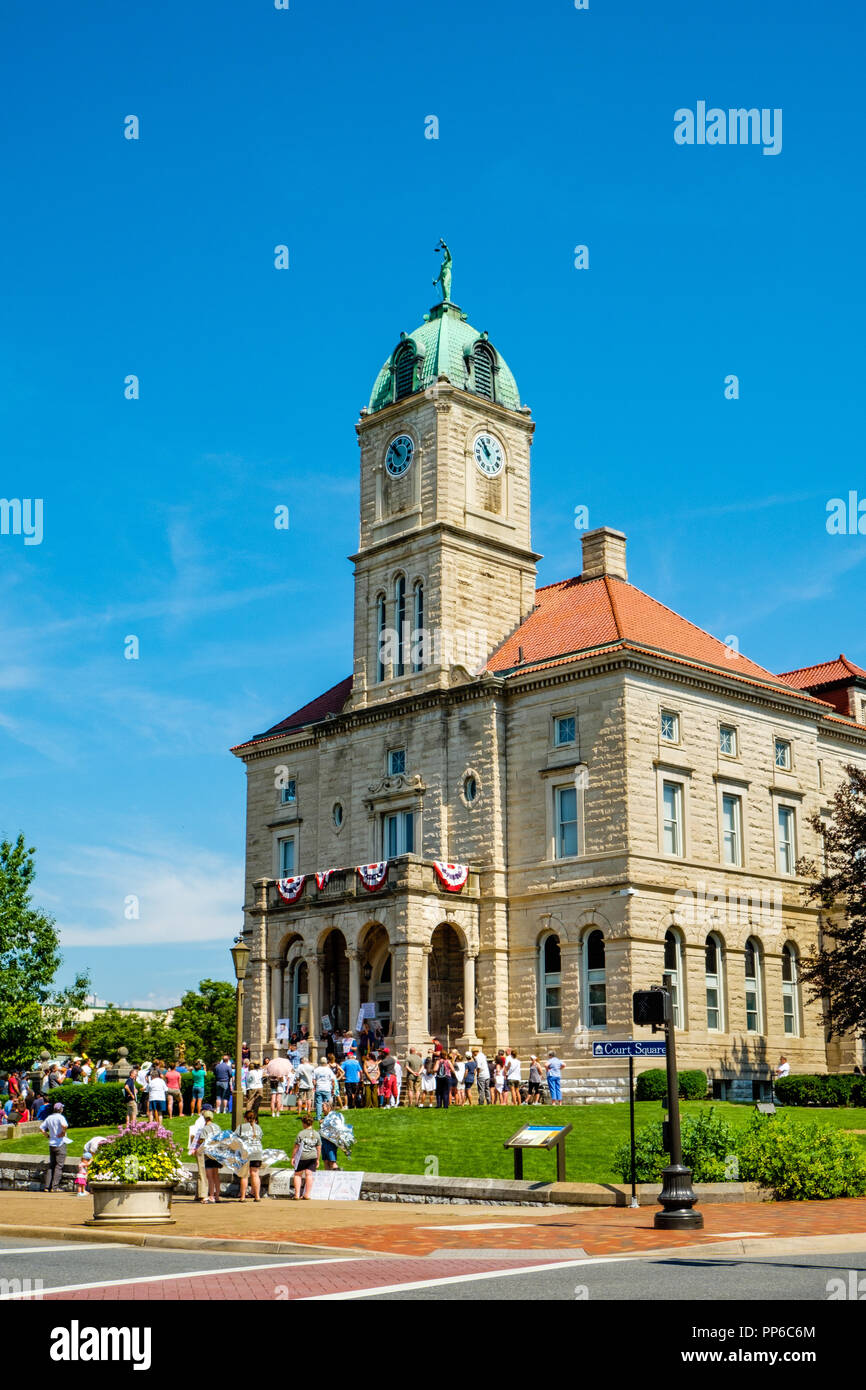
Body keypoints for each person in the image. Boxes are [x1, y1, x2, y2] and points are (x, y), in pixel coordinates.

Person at [189, 1103, 217, 1201]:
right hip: (203, 1149)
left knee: (202, 1172)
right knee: (203, 1173)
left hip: (204, 1150)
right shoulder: (202, 1122)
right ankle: (203, 1195)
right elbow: (194, 1136)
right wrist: (193, 1148)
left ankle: (199, 1194)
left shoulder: (206, 1123)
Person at [237, 1107, 265, 1202]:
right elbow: (260, 1138)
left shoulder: (241, 1127)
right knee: (255, 1174)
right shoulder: (259, 1127)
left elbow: (235, 1138)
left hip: (246, 1152)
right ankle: (257, 1196)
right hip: (257, 1152)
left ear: (245, 1118)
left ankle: (243, 1196)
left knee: (244, 1175)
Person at [41, 1102, 69, 1192]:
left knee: (51, 1165)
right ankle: (54, 1187)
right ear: (60, 1109)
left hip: (51, 1143)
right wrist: (63, 1133)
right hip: (60, 1143)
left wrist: (46, 1135)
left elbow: (41, 1128)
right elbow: (65, 1125)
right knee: (59, 1166)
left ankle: (47, 1186)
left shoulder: (49, 1117)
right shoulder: (60, 1117)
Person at [292, 1113, 321, 1199]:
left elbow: (296, 1147)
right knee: (309, 1174)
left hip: (302, 1156)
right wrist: (318, 1159)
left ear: (304, 1123)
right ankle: (307, 1194)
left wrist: (293, 1157)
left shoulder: (301, 1134)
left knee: (298, 1174)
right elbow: (319, 1148)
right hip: (313, 1156)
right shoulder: (316, 1134)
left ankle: (297, 1194)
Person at [312, 1056, 335, 1122]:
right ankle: (328, 1116)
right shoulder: (329, 1070)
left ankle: (318, 1116)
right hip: (327, 1088)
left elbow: (313, 1080)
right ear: (326, 1062)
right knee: (327, 1103)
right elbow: (333, 1080)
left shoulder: (316, 1070)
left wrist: (315, 1086)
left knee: (318, 1103)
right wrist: (333, 1088)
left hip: (319, 1088)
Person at [319, 1100, 339, 1170]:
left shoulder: (333, 1116)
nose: (322, 1108)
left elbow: (336, 1127)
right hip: (323, 1142)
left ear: (329, 1107)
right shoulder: (325, 1117)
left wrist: (323, 1122)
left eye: (323, 1106)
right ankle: (327, 1179)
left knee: (332, 1161)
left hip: (330, 1142)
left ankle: (337, 1178)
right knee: (325, 1161)